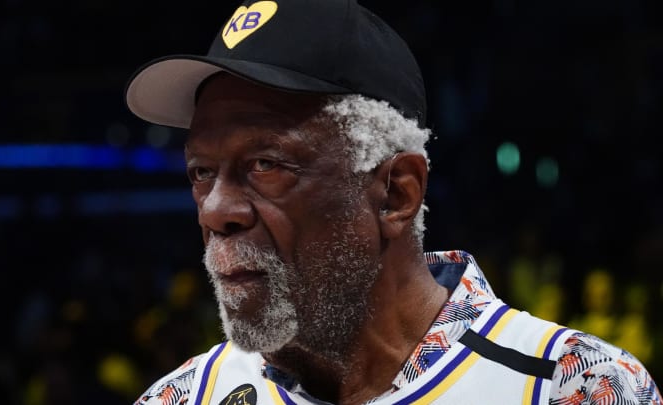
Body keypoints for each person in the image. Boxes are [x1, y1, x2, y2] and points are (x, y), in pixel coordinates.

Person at [124, 0, 662, 403]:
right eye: (201, 172)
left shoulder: (575, 386)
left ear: (396, 192)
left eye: (265, 164)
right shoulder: (182, 396)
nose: (216, 210)